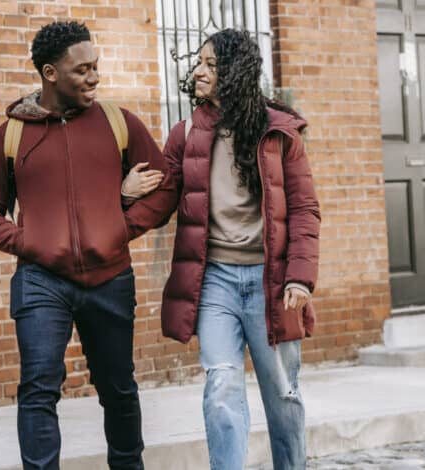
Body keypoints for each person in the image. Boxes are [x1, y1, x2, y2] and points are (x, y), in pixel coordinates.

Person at [0, 21, 174, 470]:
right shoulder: (11, 136)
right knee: (38, 388)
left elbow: (164, 189)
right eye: (82, 70)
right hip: (41, 282)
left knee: (118, 388)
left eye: (96, 67)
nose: (94, 77)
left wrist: (119, 227)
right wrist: (31, 243)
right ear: (50, 72)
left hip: (111, 279)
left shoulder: (119, 123)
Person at [127, 29, 320, 469]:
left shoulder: (279, 133)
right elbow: (162, 202)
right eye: (199, 62)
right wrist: (122, 203)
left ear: (236, 72)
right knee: (221, 388)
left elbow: (305, 209)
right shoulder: (187, 133)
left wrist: (300, 276)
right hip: (215, 280)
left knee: (283, 394)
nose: (199, 71)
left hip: (271, 281)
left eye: (211, 65)